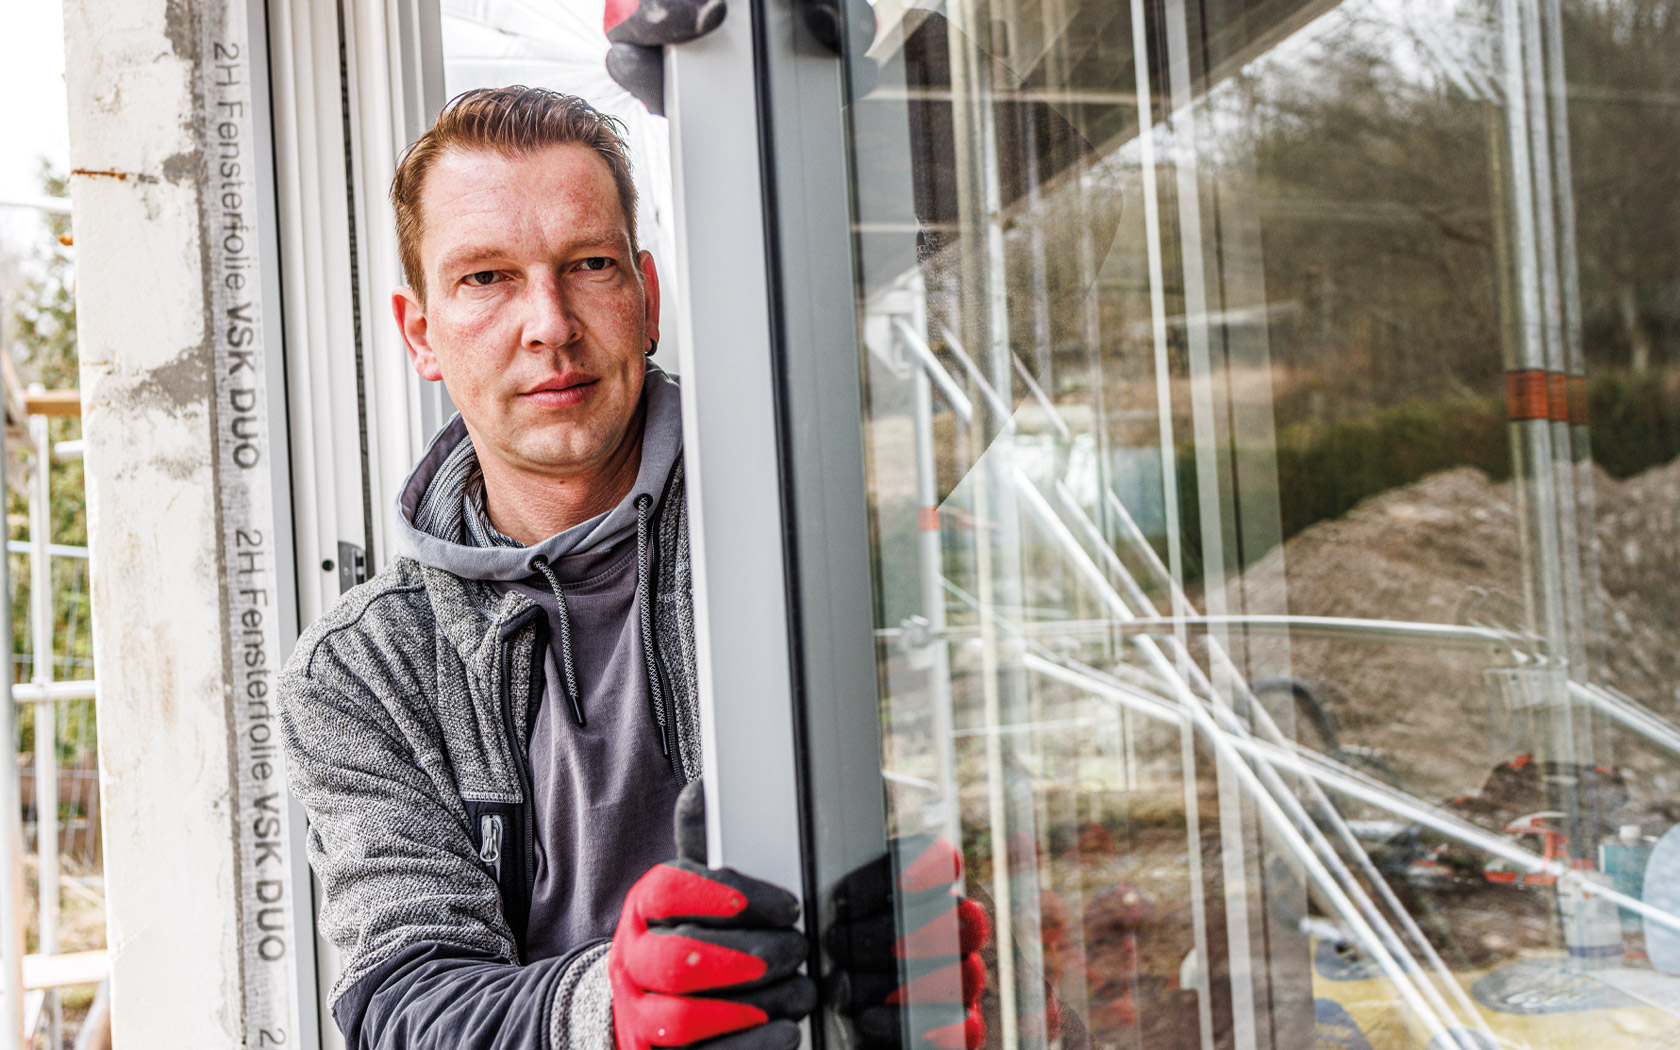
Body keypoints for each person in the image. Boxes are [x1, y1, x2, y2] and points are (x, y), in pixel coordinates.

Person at [278, 86, 985, 1050]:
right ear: (419, 334)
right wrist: (614, 1003)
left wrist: (834, 91)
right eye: (486, 278)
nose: (551, 324)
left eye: (590, 264)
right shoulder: (364, 671)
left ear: (647, 298)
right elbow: (405, 1005)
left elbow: (1038, 276)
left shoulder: (807, 499)